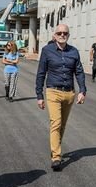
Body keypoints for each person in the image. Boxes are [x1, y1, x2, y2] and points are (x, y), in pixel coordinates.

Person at [36, 23, 86, 170]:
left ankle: (55, 146)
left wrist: (82, 91)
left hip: (69, 93)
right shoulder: (47, 51)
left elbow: (79, 72)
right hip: (53, 91)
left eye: (65, 33)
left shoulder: (74, 52)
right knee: (56, 123)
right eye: (59, 33)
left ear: (68, 35)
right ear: (55, 35)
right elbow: (41, 73)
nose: (62, 35)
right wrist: (39, 95)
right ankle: (56, 156)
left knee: (62, 125)